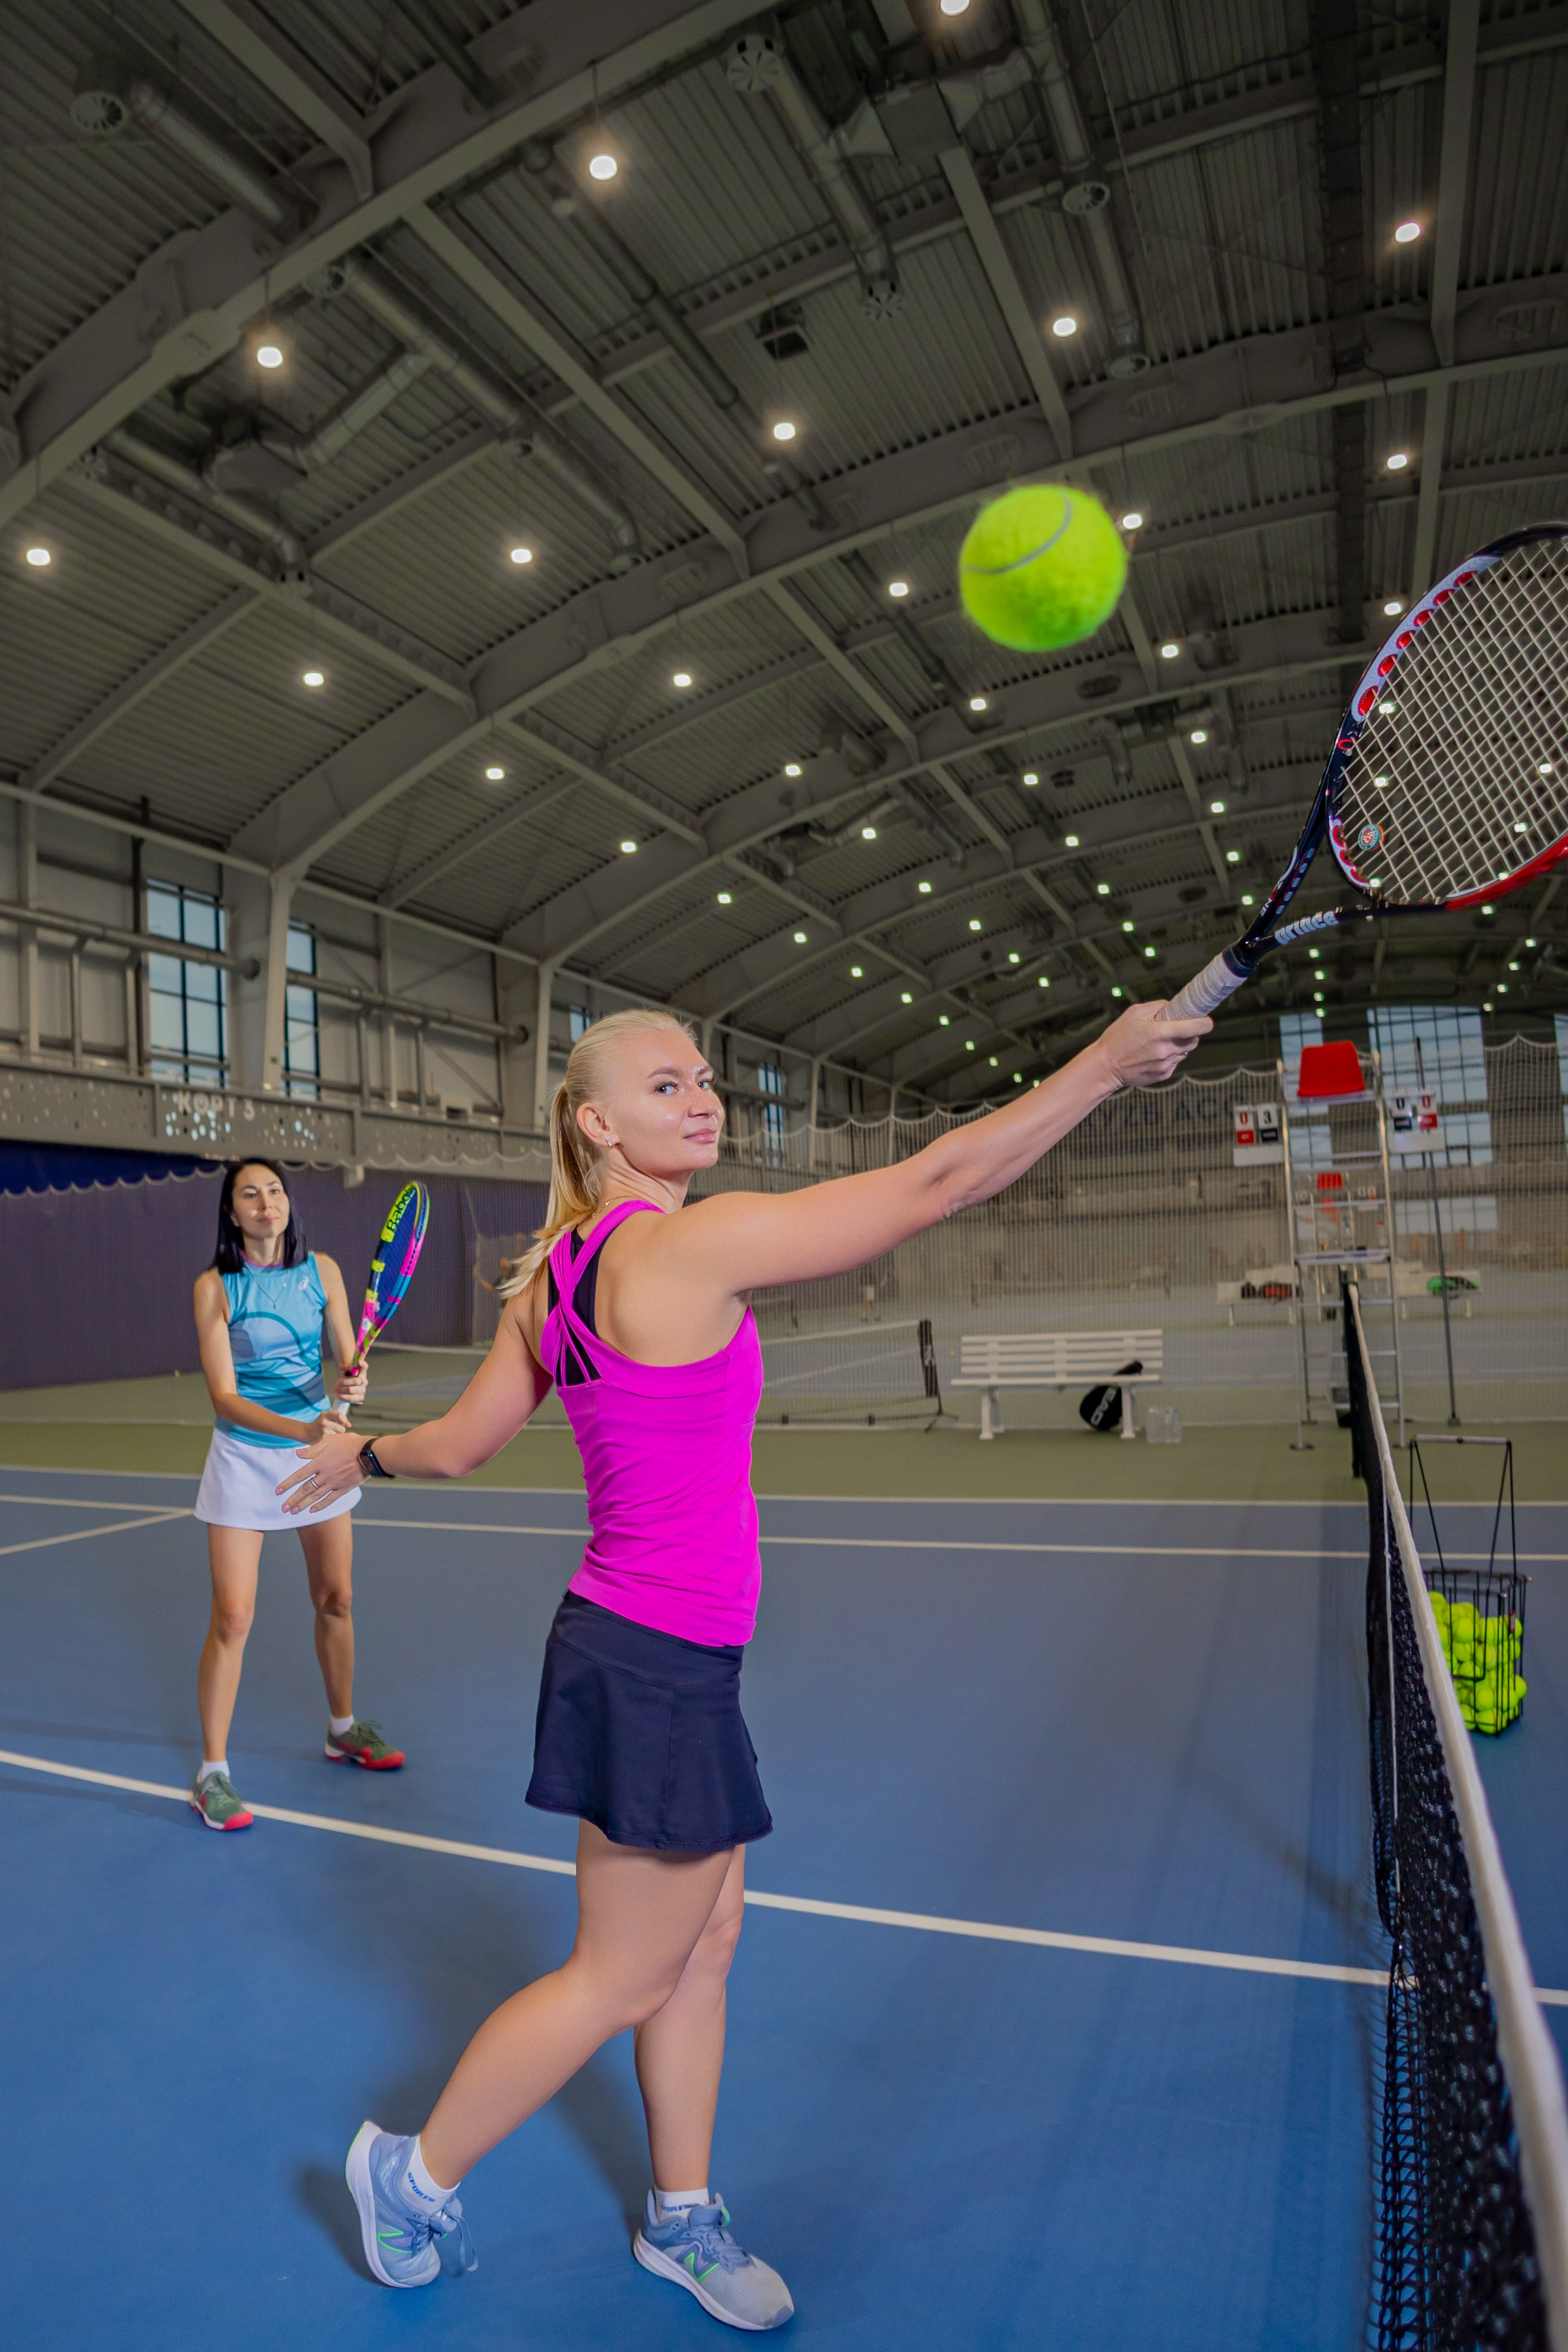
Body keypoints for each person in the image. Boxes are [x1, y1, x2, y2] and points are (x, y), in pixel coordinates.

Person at [281, 997, 1210, 2327]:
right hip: (654, 1662)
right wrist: (1105, 1067)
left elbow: (464, 1443)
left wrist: (356, 1452)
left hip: (643, 1650)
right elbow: (941, 1180)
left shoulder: (553, 1277)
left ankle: (678, 2215)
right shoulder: (685, 1248)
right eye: (670, 1086)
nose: (704, 1098)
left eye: (708, 1078)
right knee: (620, 1972)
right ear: (597, 1121)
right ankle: (412, 2181)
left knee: (704, 1946)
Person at [188, 1158, 404, 1831]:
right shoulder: (214, 1288)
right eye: (249, 1194)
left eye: (275, 1191)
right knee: (233, 1617)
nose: (265, 1203)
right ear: (231, 1212)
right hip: (246, 1457)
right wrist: (304, 1425)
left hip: (318, 1453)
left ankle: (342, 1727)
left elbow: (350, 1355)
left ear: (288, 1204)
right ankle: (211, 1774)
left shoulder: (325, 1272)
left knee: (335, 1599)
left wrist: (353, 1380)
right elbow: (224, 1395)